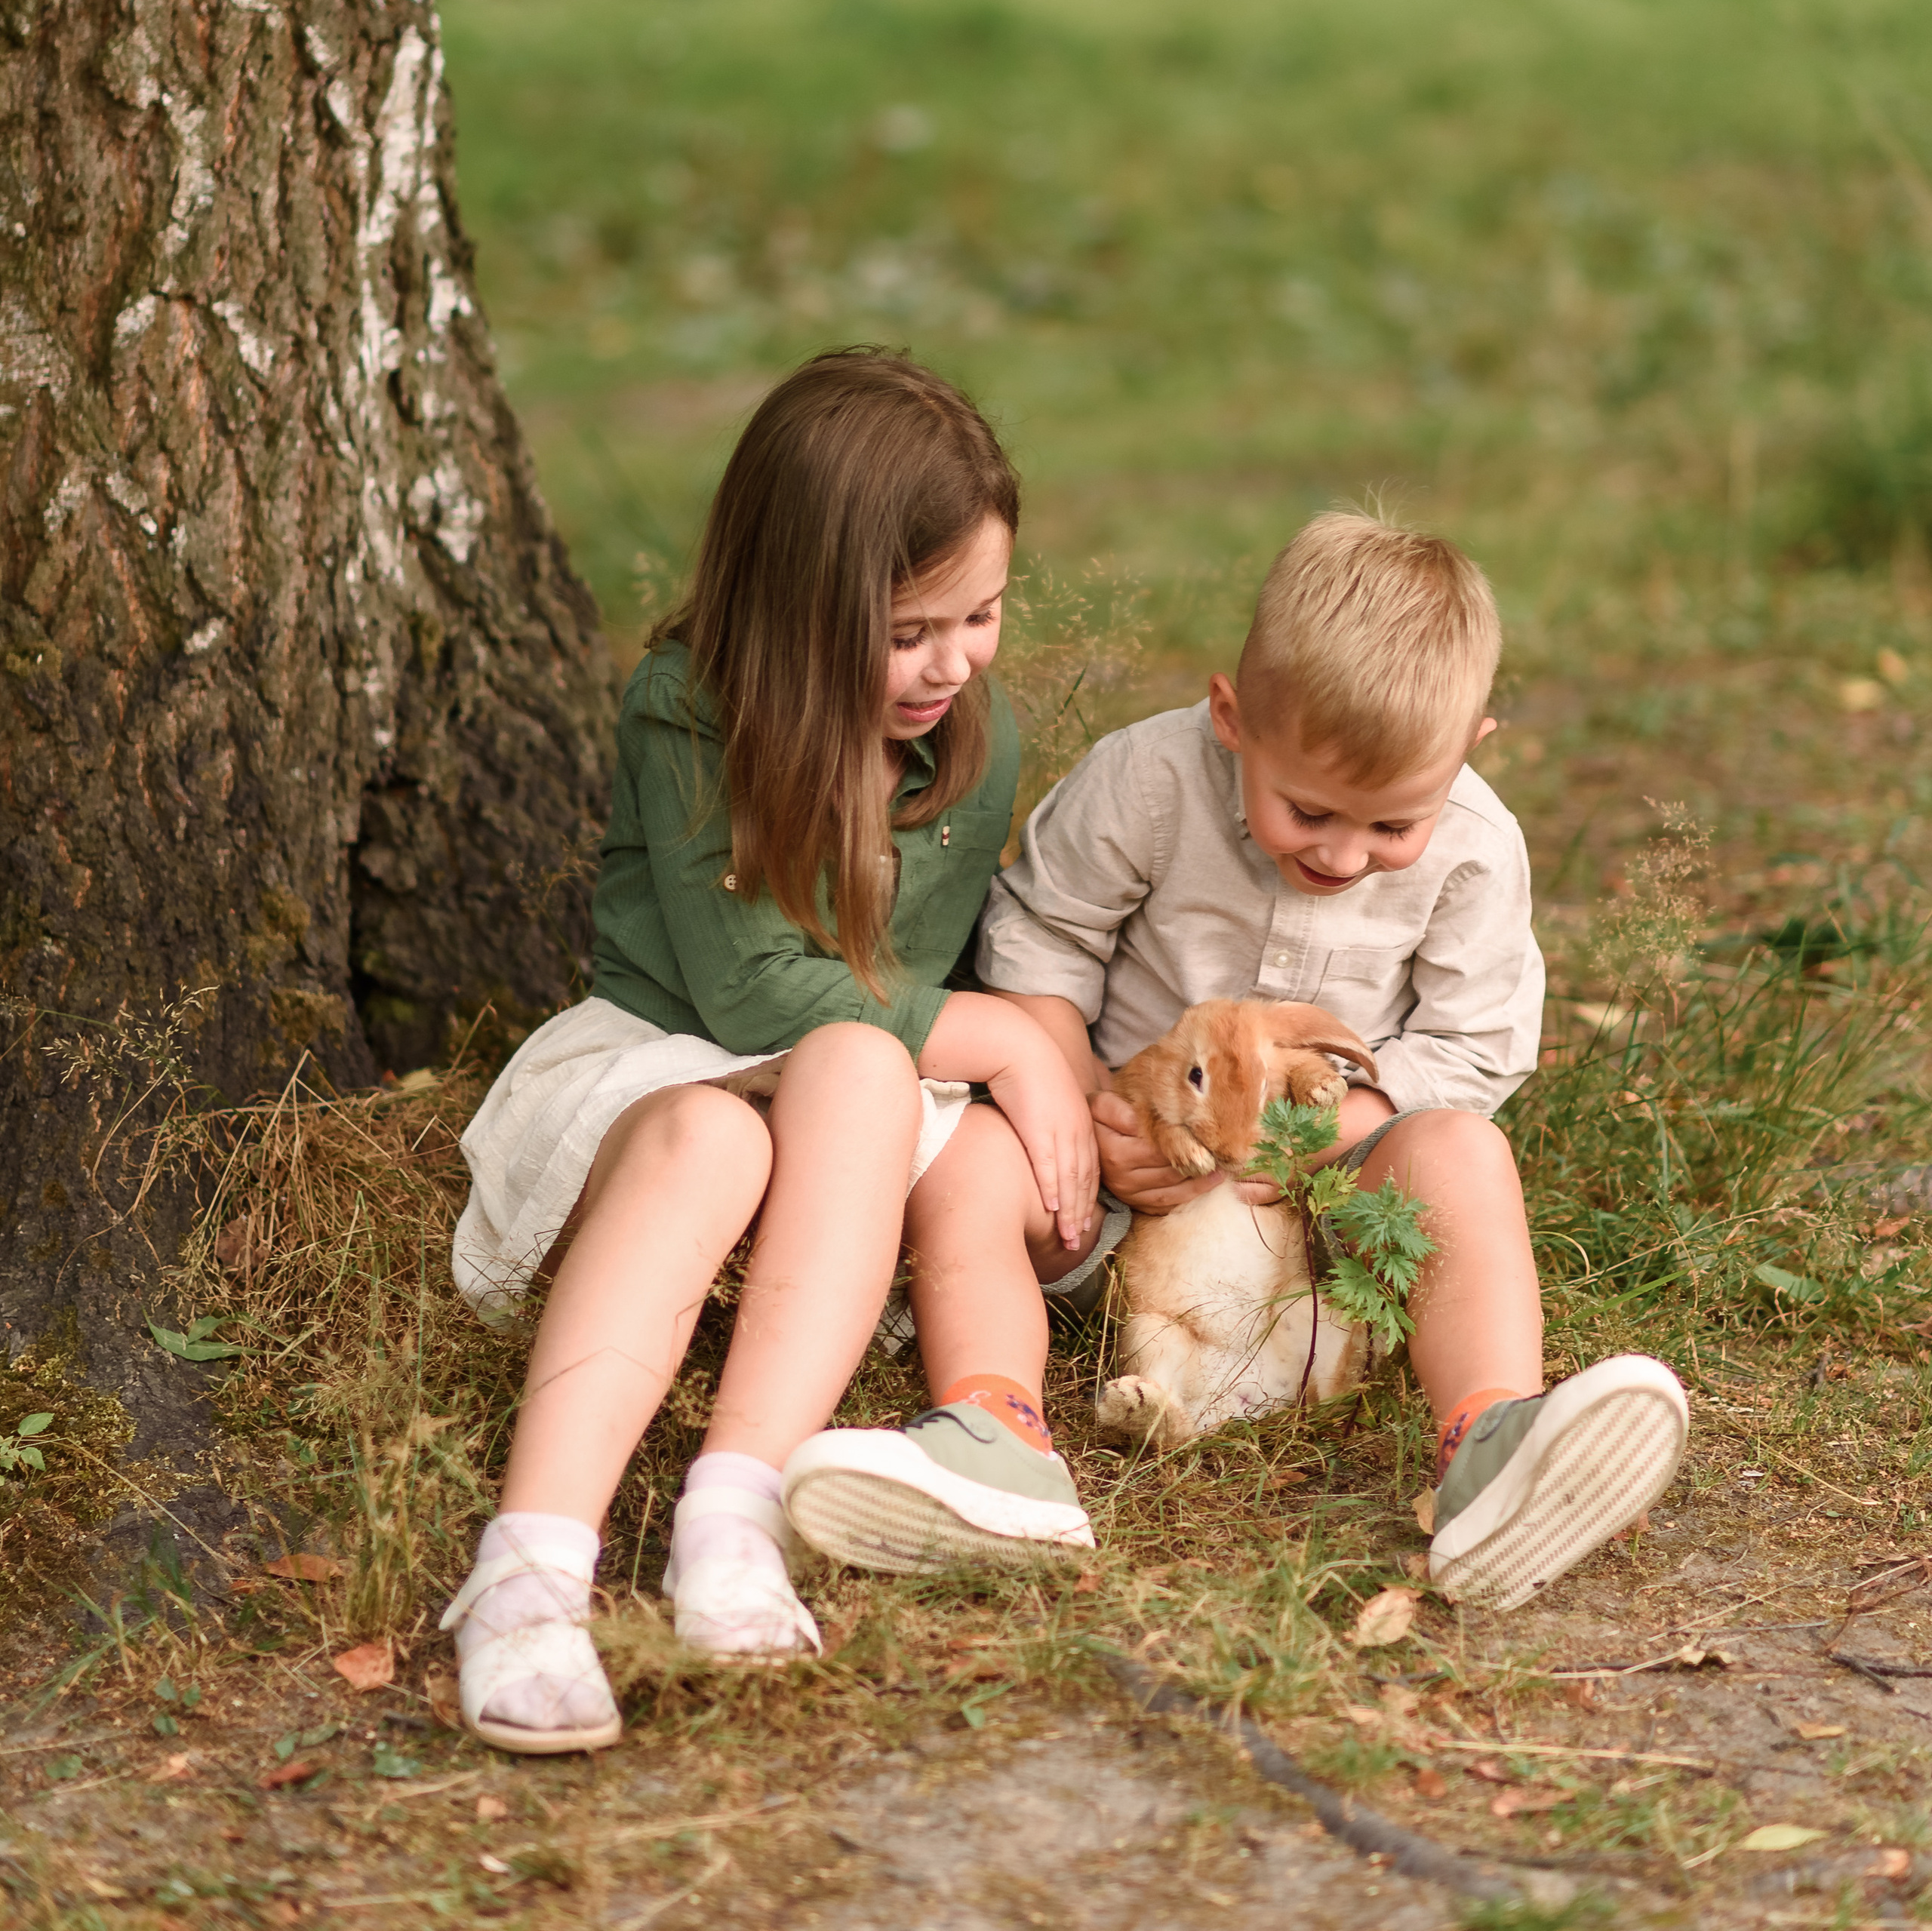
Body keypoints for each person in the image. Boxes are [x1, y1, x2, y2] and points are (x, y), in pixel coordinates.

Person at [441, 350, 1103, 1757]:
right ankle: (531, 1565)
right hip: (661, 1059)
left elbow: (891, 1004)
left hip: (855, 1092)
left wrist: (1038, 1064)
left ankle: (732, 1511)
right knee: (717, 1133)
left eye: (980, 615)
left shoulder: (977, 751)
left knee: (868, 1069)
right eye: (911, 628)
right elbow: (744, 995)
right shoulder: (691, 711)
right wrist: (1003, 1042)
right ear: (793, 608)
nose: (952, 663)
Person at [963, 510, 1689, 1612]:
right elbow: (1039, 936)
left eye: (1392, 827)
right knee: (971, 1162)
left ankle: (1490, 1442)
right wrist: (1085, 1112)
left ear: (1471, 750)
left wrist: (1322, 1140)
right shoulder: (1147, 781)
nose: (1345, 855)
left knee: (1461, 1154)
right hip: (1120, 1178)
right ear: (1231, 718)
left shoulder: (1478, 849)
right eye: (1307, 810)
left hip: (1326, 1210)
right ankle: (992, 1436)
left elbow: (1475, 1046)